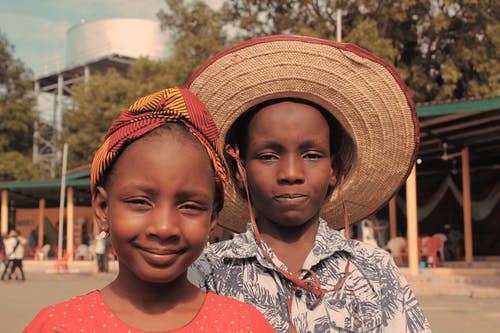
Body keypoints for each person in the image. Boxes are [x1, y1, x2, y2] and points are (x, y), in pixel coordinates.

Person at [187, 35, 432, 332]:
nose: (291, 173)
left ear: (334, 169)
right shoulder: (205, 271)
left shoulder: (375, 269)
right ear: (240, 168)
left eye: (312, 155)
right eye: (267, 156)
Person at [23, 87, 275, 332]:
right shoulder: (57, 326)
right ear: (102, 208)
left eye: (189, 206)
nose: (164, 228)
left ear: (212, 218)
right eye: (140, 202)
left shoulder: (244, 326)